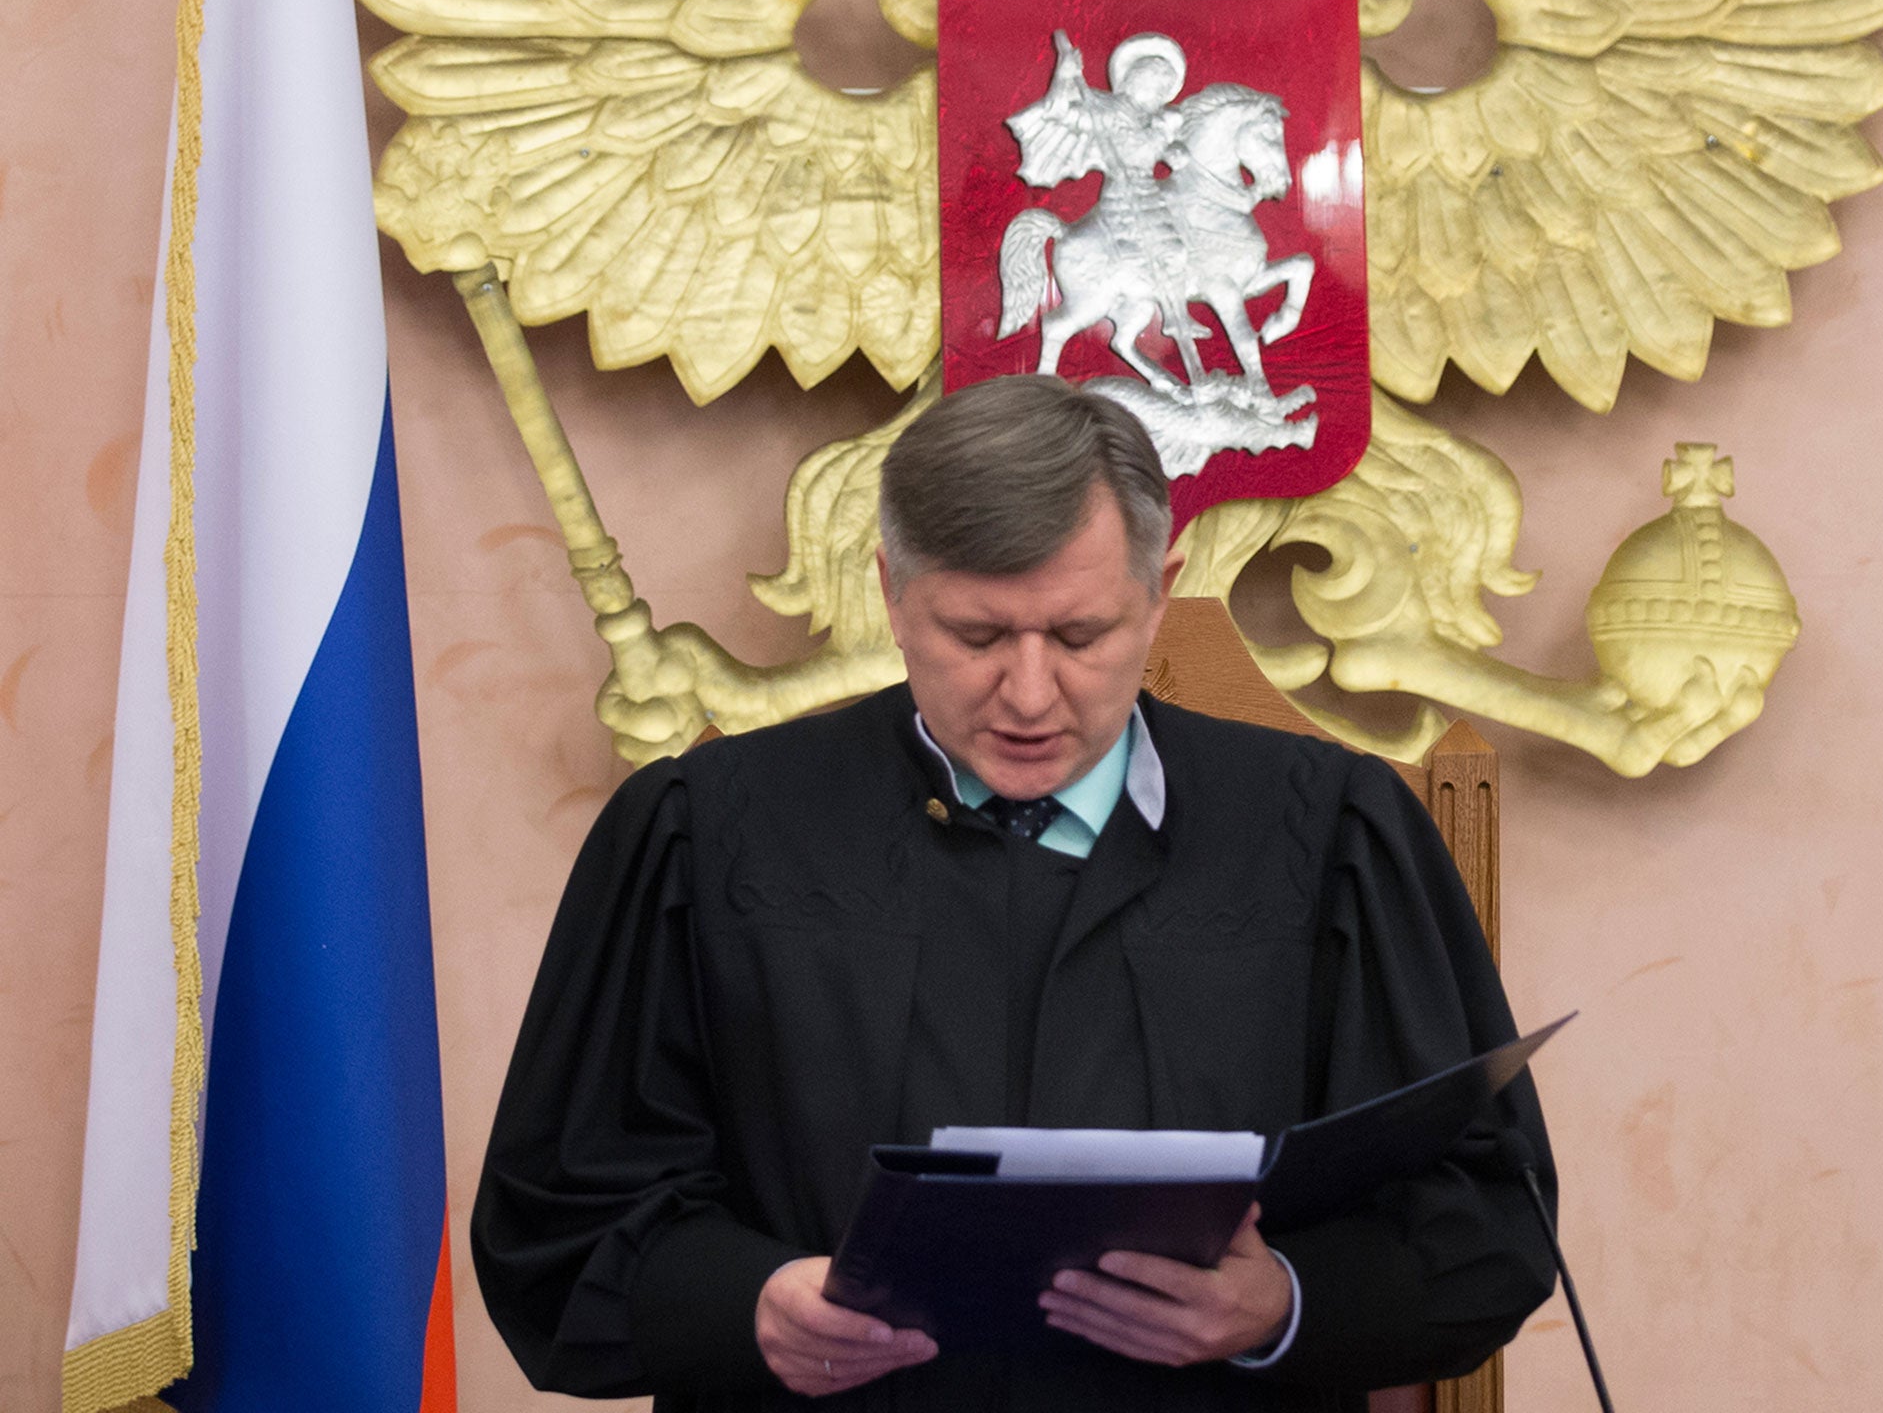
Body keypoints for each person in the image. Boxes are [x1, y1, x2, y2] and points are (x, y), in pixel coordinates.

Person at [472, 375, 1557, 1411]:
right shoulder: (707, 832)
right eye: (976, 635)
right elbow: (560, 1227)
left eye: (1080, 636)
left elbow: (1484, 1219)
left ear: (1159, 590)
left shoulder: (1327, 833)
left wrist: (1280, 1302)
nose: (1029, 695)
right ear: (893, 595)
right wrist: (746, 1305)